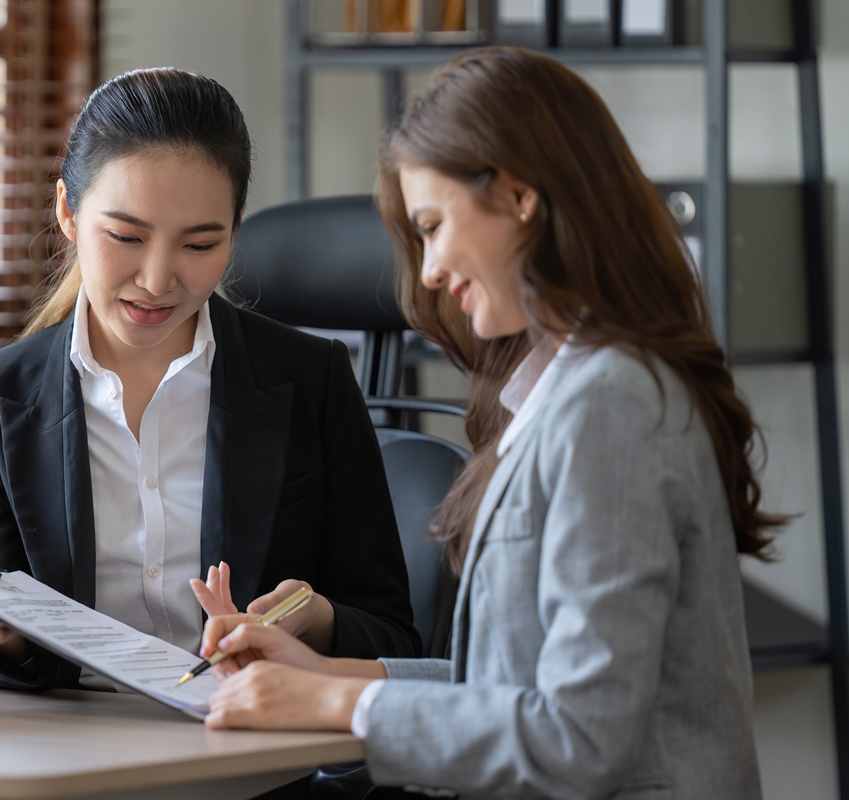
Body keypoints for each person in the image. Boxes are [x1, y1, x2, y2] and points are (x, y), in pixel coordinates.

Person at [198, 47, 775, 799]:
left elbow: (579, 736)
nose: (429, 271)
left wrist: (337, 702)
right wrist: (327, 672)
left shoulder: (611, 407)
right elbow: (507, 683)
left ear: (518, 196)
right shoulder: (566, 393)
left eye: (434, 226)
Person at [0, 67, 421, 695]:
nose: (157, 280)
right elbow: (5, 664)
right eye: (126, 236)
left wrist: (314, 622)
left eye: (199, 245)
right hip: (68, 751)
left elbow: (394, 637)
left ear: (235, 233)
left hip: (251, 745)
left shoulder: (310, 379)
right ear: (67, 211)